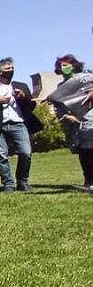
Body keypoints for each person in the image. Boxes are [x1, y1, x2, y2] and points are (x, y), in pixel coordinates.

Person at [0, 57, 42, 193]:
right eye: (7, 69)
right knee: (2, 156)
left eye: (12, 68)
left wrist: (23, 97)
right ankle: (8, 184)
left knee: (25, 153)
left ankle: (22, 181)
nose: (11, 71)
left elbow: (32, 106)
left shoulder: (21, 86)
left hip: (18, 123)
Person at [48, 55, 93, 191]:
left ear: (74, 65)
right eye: (61, 66)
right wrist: (66, 117)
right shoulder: (61, 87)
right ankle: (89, 181)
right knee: (83, 152)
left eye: (66, 65)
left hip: (91, 119)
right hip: (75, 124)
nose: (64, 68)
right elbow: (58, 107)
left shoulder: (88, 78)